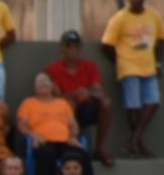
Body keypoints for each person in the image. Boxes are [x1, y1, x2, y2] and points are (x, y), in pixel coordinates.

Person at [100, 0, 164, 158]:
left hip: (149, 66)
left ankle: (133, 141)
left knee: (153, 102)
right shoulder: (120, 18)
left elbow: (162, 40)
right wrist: (120, 61)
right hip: (128, 66)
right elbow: (106, 44)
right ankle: (137, 143)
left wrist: (158, 63)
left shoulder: (153, 15)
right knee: (133, 106)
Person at [46, 30, 115, 167]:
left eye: (76, 46)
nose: (73, 49)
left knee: (106, 103)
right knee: (68, 104)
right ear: (62, 49)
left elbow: (98, 91)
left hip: (87, 108)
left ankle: (99, 148)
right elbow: (54, 98)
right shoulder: (52, 69)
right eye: (68, 46)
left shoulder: (90, 66)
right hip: (65, 112)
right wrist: (74, 96)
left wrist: (87, 93)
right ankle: (70, 146)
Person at [16, 72, 84, 175]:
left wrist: (73, 136)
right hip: (43, 142)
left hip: (65, 142)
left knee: (80, 154)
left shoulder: (63, 103)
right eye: (39, 81)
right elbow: (21, 125)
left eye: (45, 80)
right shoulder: (29, 103)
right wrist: (33, 135)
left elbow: (73, 125)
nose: (43, 83)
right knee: (46, 155)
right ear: (34, 88)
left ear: (52, 85)